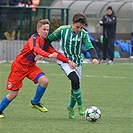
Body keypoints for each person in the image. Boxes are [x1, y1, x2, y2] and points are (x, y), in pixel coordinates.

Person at [0, 19, 76, 118]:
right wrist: (48, 55)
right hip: (19, 67)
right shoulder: (34, 38)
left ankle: (35, 103)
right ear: (38, 29)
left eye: (47, 30)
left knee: (44, 81)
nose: (46, 32)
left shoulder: (45, 42)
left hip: (30, 67)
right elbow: (36, 49)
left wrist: (68, 61)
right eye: (44, 29)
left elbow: (56, 54)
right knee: (14, 93)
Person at [42, 13, 99, 119]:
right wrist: (43, 53)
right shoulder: (62, 30)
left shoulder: (83, 34)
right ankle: (80, 105)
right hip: (64, 60)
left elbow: (89, 46)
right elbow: (49, 39)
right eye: (77, 27)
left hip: (77, 62)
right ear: (72, 23)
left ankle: (71, 107)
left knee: (75, 85)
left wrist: (94, 57)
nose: (79, 29)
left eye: (81, 28)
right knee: (75, 79)